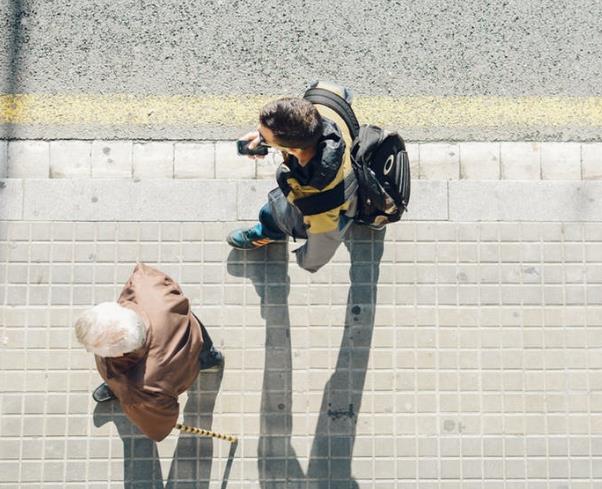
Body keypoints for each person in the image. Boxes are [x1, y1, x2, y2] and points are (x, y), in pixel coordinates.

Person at [74, 263, 223, 442]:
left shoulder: (139, 390)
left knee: (121, 384)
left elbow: (159, 425)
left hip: (177, 374)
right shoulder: (142, 283)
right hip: (186, 326)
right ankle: (210, 358)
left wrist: (125, 392)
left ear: (119, 355)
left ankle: (116, 388)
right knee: (201, 344)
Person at [226, 96, 358, 273]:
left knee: (273, 212)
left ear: (294, 150)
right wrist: (266, 139)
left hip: (322, 205)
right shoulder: (324, 102)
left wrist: (303, 259)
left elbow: (319, 252)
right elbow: (341, 92)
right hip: (350, 175)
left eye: (265, 137)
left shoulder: (319, 207)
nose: (260, 139)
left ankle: (269, 232)